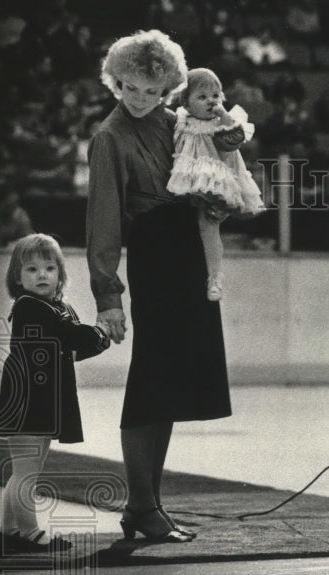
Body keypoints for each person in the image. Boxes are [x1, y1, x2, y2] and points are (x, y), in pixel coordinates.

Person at [87, 30, 231, 543]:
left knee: (169, 382)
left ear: (168, 85)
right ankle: (141, 505)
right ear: (116, 81)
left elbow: (213, 177)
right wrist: (109, 299)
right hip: (153, 256)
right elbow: (103, 222)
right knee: (150, 378)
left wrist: (218, 202)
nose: (141, 99)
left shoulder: (180, 123)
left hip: (189, 251)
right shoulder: (109, 138)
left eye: (152, 90)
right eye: (131, 89)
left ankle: (150, 505)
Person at [0, 234, 110, 554]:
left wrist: (95, 339)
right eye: (31, 269)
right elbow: (73, 335)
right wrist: (101, 333)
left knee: (27, 469)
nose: (42, 274)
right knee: (26, 471)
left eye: (49, 267)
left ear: (61, 274)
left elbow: (72, 347)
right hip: (27, 399)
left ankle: (10, 532)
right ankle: (27, 533)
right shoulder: (30, 307)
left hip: (43, 400)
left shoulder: (56, 307)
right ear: (17, 277)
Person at [167, 68, 264, 301]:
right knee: (188, 228)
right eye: (202, 97)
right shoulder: (182, 119)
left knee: (208, 226)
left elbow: (235, 139)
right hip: (188, 182)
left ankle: (215, 276)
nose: (210, 101)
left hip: (217, 182)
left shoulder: (222, 122)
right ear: (186, 103)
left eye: (215, 95)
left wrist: (224, 115)